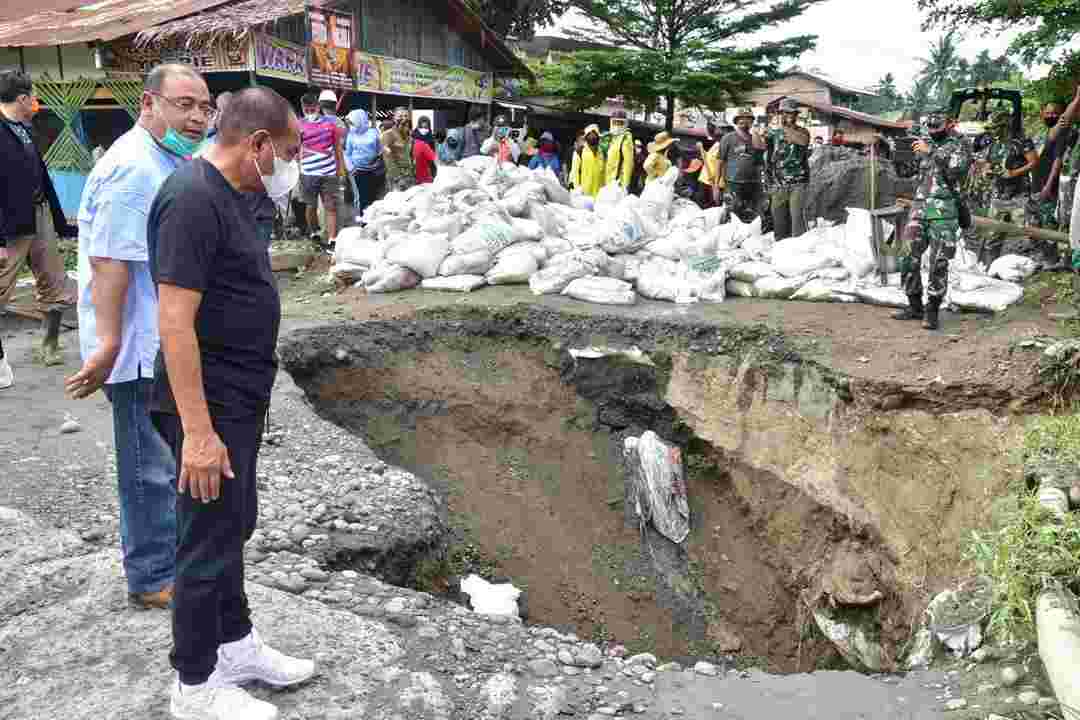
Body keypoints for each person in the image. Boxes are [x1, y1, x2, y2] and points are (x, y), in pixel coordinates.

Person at [149, 86, 315, 720]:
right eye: (290, 152)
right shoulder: (191, 199)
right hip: (207, 405)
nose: (293, 165)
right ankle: (194, 684)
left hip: (236, 399)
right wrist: (198, 433)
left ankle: (235, 644)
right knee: (205, 540)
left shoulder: (233, 195)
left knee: (232, 524)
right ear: (260, 145)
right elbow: (174, 322)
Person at [65, 64, 206, 613]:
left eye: (204, 107)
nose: (196, 117)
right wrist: (108, 343)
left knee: (166, 456)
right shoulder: (131, 168)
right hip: (137, 343)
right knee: (148, 465)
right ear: (149, 103)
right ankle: (151, 576)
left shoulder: (166, 159)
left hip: (159, 338)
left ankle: (171, 560)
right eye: (183, 104)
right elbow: (110, 263)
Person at [0, 69, 78, 372]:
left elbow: (41, 178)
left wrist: (60, 223)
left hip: (40, 214)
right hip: (10, 223)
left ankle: (50, 343)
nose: (35, 101)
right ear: (22, 98)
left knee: (55, 284)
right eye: (32, 96)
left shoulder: (26, 129)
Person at [892, 108, 971, 331]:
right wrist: (901, 156)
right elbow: (910, 173)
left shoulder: (960, 144)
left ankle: (932, 309)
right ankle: (914, 305)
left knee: (939, 261)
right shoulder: (924, 143)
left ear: (949, 124)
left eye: (938, 127)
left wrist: (932, 152)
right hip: (920, 208)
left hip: (944, 211)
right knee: (907, 255)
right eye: (930, 127)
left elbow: (957, 170)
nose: (933, 131)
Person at [979, 110, 1037, 266]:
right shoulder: (993, 144)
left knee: (1027, 232)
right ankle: (990, 268)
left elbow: (1034, 162)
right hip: (999, 195)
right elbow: (987, 163)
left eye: (995, 127)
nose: (992, 131)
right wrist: (986, 172)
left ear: (1005, 126)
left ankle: (1033, 266)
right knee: (993, 235)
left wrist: (1013, 173)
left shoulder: (1021, 141)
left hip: (1019, 195)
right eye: (991, 128)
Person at [298, 91, 345, 246]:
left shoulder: (331, 125)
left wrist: (340, 169)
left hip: (329, 173)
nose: (310, 113)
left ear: (318, 107)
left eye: (312, 109)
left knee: (330, 206)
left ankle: (332, 239)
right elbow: (295, 148)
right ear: (302, 108)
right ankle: (314, 233)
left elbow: (337, 148)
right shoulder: (298, 125)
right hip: (308, 174)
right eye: (306, 110)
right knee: (310, 205)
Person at [767, 99, 812, 240]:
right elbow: (760, 146)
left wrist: (783, 127)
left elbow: (803, 141)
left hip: (798, 183)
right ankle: (781, 248)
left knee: (797, 222)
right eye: (784, 113)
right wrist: (757, 130)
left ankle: (799, 249)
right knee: (779, 223)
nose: (786, 115)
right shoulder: (773, 132)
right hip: (778, 183)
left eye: (790, 113)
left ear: (796, 115)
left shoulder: (803, 131)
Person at [718, 108, 766, 222]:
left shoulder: (755, 138)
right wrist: (716, 184)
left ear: (752, 122)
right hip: (733, 183)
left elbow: (761, 153)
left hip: (753, 184)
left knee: (753, 216)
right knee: (732, 215)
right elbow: (720, 161)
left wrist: (755, 133)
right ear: (736, 121)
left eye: (748, 119)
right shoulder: (728, 138)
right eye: (741, 119)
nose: (745, 121)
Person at [1032, 102, 1068, 231]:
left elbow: (1057, 162)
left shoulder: (1061, 135)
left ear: (1061, 115)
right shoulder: (1043, 132)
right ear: (1042, 113)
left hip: (1049, 186)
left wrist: (1048, 186)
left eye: (1054, 113)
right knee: (1036, 220)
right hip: (1037, 183)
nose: (1050, 116)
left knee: (1048, 222)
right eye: (1048, 113)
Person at [343, 108, 384, 220]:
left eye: (352, 123)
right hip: (357, 171)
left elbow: (380, 149)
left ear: (360, 120)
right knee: (360, 196)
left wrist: (377, 161)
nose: (351, 126)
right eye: (350, 124)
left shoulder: (373, 133)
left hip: (373, 170)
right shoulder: (351, 135)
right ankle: (362, 219)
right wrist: (351, 168)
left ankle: (372, 218)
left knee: (372, 195)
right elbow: (347, 154)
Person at [382, 107, 415, 193]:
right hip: (396, 179)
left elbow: (411, 156)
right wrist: (398, 178)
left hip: (409, 176)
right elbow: (388, 159)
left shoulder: (408, 136)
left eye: (406, 116)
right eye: (400, 116)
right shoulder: (387, 135)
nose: (403, 118)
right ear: (394, 118)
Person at [570, 124, 604, 197]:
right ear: (586, 138)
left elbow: (603, 173)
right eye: (590, 136)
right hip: (583, 195)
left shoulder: (601, 153)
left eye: (595, 136)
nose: (593, 138)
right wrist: (576, 190)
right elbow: (574, 173)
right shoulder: (579, 152)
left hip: (599, 196)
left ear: (598, 138)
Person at [604, 109, 635, 190]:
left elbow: (628, 163)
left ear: (625, 124)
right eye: (615, 122)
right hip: (608, 179)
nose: (617, 125)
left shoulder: (626, 139)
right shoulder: (611, 137)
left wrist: (625, 184)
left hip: (618, 181)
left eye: (620, 122)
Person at [697, 120, 724, 208]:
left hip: (712, 182)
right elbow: (709, 158)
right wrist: (701, 150)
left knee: (712, 208)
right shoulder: (717, 144)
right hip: (705, 179)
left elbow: (720, 165)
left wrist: (716, 186)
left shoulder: (723, 146)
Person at [413, 118, 438, 185]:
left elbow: (433, 155)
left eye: (426, 127)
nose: (424, 129)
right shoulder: (413, 137)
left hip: (428, 168)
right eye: (422, 127)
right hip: (416, 167)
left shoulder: (431, 138)